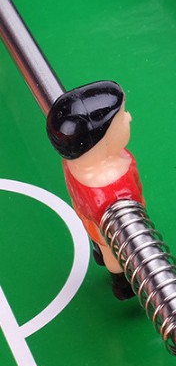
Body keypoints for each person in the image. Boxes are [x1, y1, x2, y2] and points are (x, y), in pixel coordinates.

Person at [46, 81, 144, 301]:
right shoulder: (109, 184)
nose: (129, 117)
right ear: (101, 140)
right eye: (122, 118)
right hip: (108, 228)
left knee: (100, 241)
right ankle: (121, 282)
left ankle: (99, 252)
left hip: (86, 216)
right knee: (113, 251)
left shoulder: (73, 164)